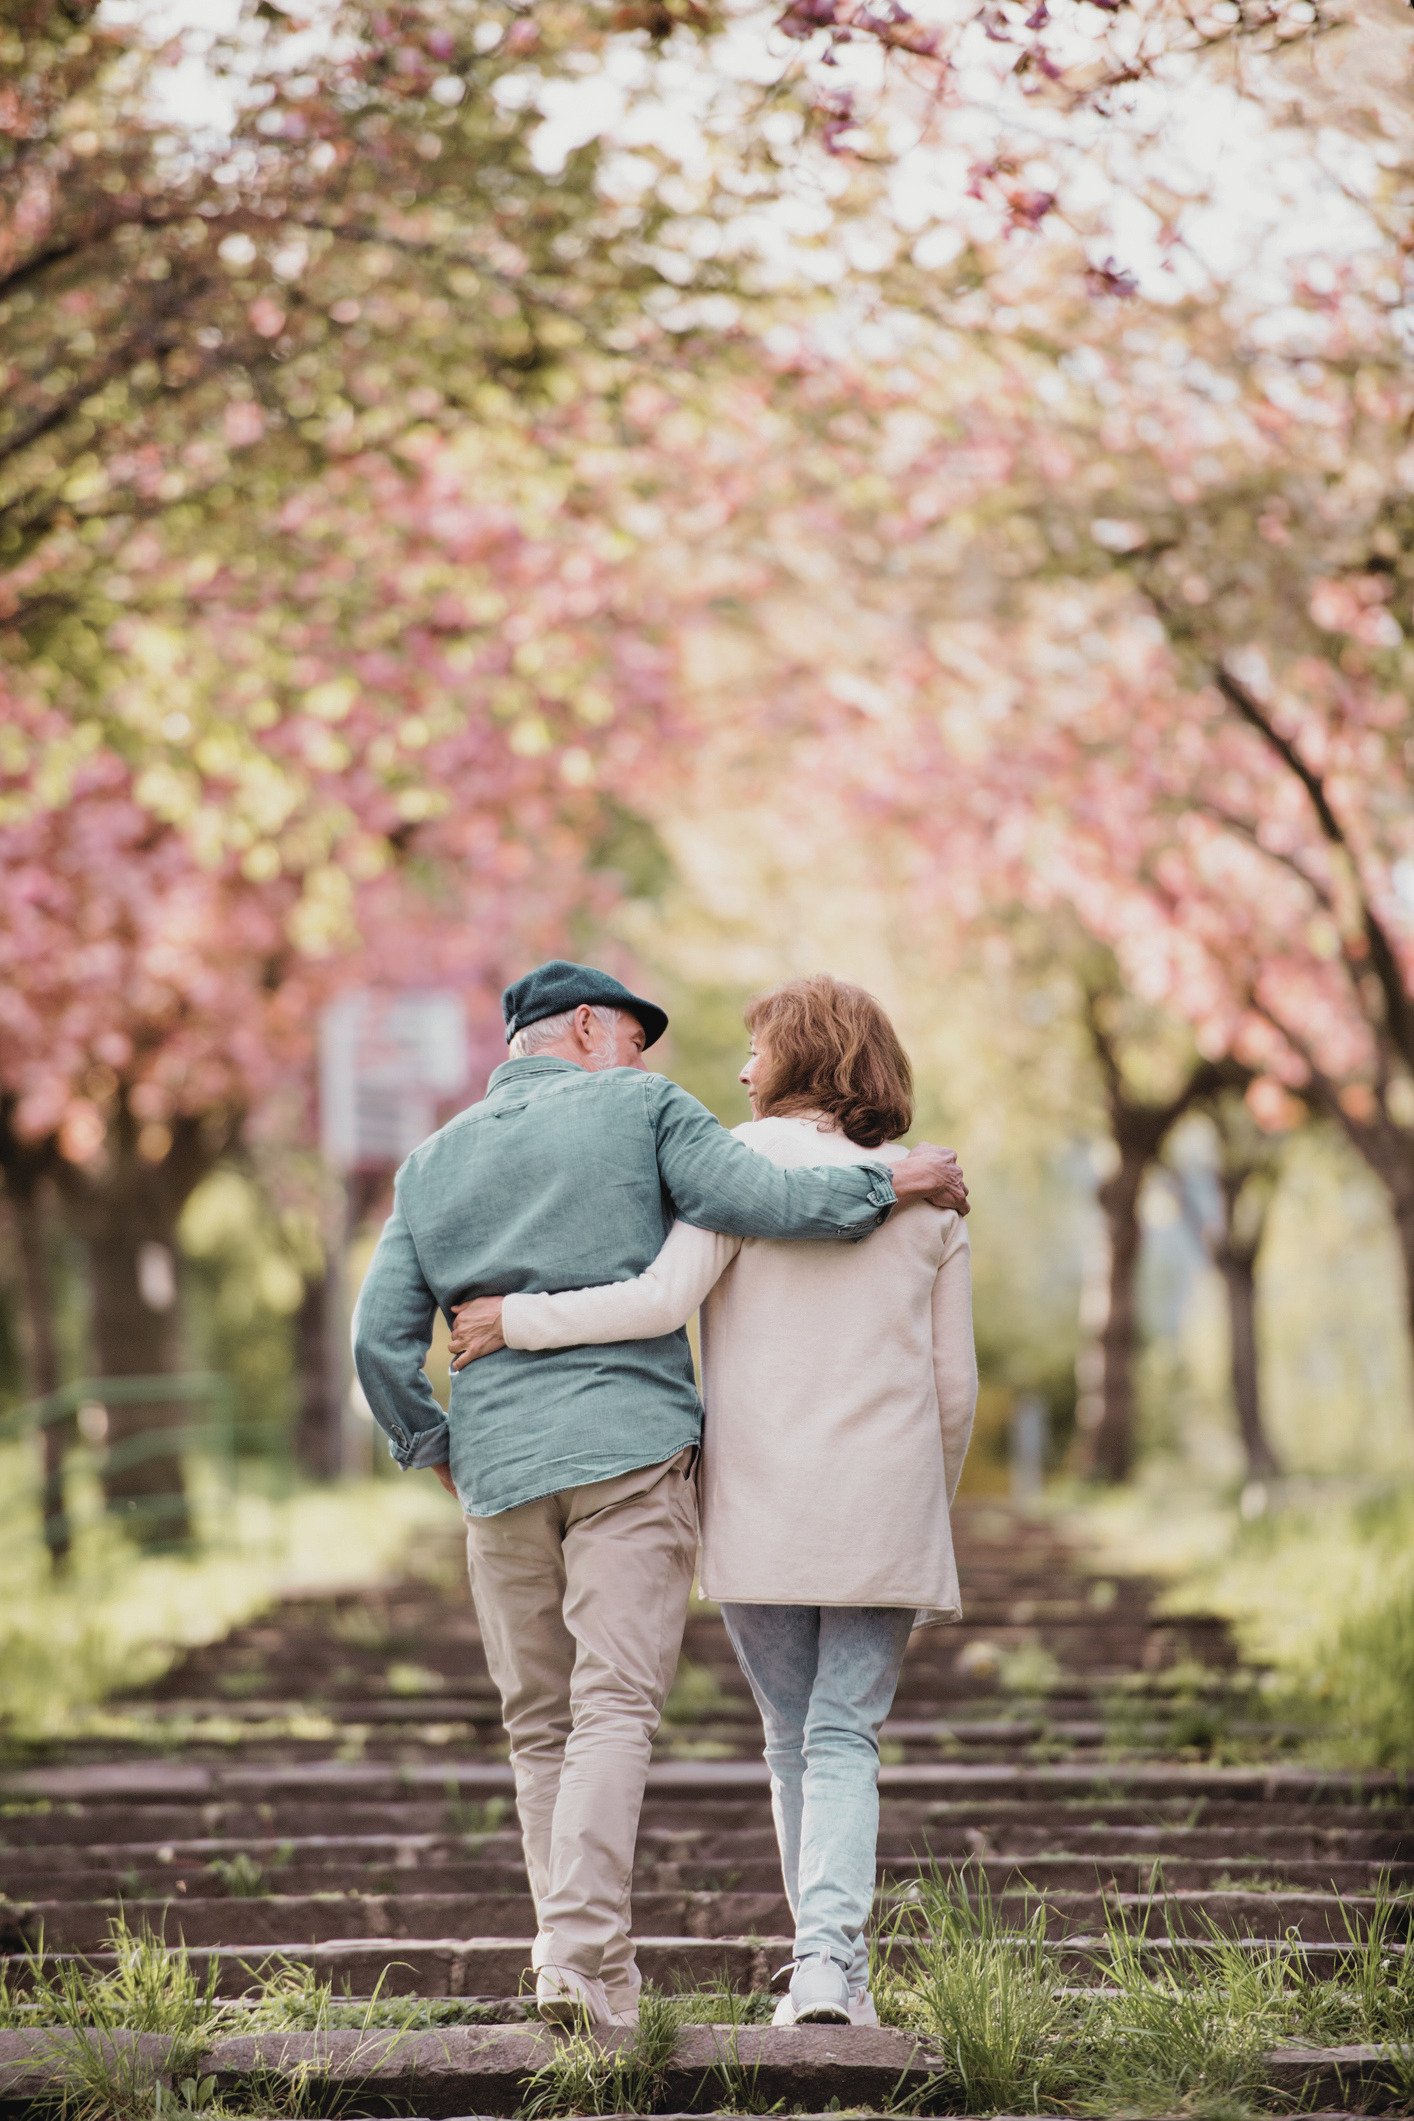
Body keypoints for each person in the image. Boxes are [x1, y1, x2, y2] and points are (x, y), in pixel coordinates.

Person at [352, 959, 969, 2033]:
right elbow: (790, 1229)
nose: (670, 1063)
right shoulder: (652, 1113)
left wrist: (438, 1443)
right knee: (648, 1716)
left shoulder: (431, 1162)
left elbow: (382, 1343)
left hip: (519, 1473)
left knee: (546, 1725)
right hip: (652, 1462)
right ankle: (677, 1969)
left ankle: (568, 1963)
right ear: (588, 1026)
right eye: (637, 1035)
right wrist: (897, 1181)